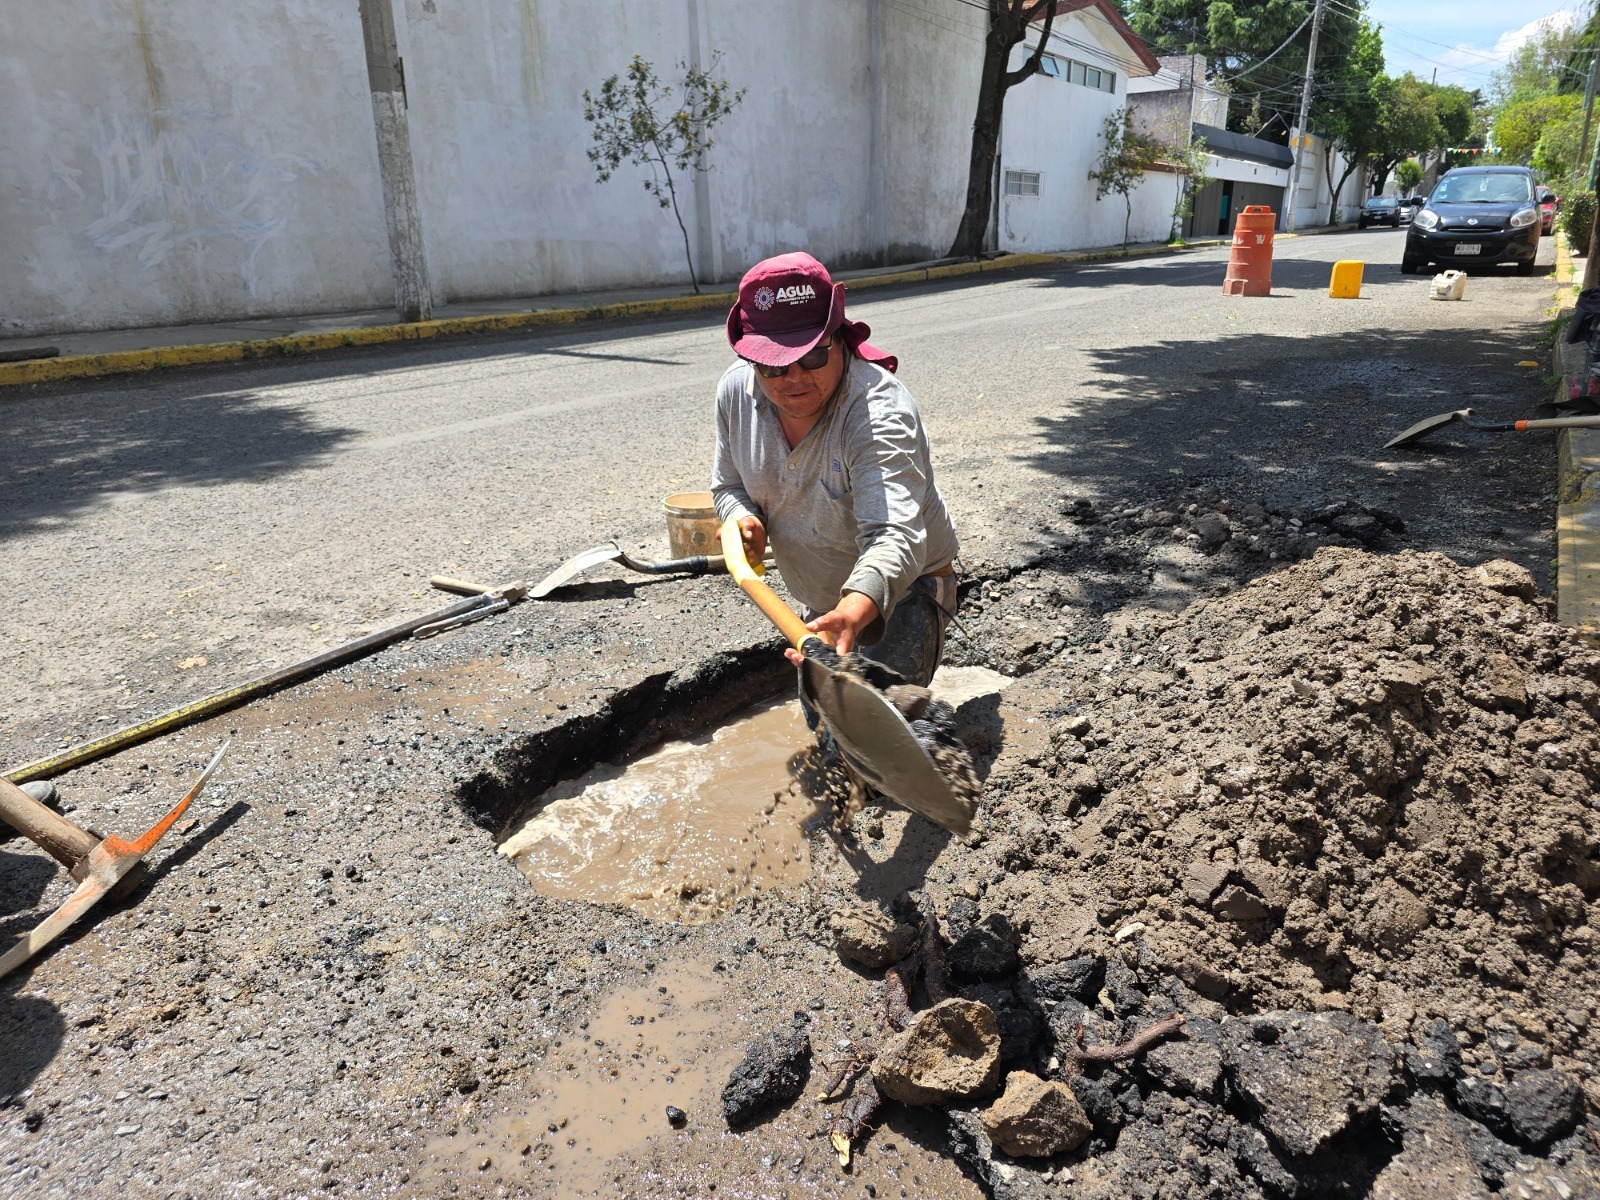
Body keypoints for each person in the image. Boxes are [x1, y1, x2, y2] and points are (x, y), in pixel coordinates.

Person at [711, 251, 959, 691]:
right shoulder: (736, 391)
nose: (793, 378)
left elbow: (894, 536)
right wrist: (742, 518)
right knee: (827, 724)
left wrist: (852, 612)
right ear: (750, 358)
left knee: (889, 727)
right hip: (821, 601)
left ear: (838, 339)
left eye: (812, 357)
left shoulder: (876, 413)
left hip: (905, 588)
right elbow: (728, 485)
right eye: (772, 364)